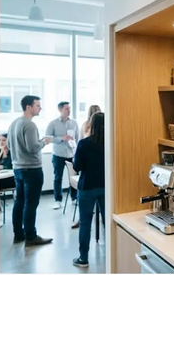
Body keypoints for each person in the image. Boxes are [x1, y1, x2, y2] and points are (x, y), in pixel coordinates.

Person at [8, 95, 54, 246]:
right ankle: (31, 236)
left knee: (19, 202)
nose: (40, 108)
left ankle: (19, 235)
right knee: (31, 203)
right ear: (29, 107)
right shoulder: (30, 125)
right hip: (32, 170)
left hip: (18, 169)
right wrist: (44, 142)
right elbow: (33, 148)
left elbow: (9, 145)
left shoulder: (14, 123)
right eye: (38, 105)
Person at [72, 112, 105, 268]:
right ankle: (112, 254)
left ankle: (83, 258)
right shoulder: (111, 143)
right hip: (106, 187)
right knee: (107, 222)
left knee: (85, 222)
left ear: (91, 125)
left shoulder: (84, 144)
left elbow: (77, 166)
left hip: (87, 187)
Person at [46, 101, 78, 210]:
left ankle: (74, 198)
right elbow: (47, 138)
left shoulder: (74, 123)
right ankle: (58, 200)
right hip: (58, 154)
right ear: (60, 110)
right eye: (66, 109)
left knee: (74, 177)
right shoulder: (53, 123)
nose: (68, 110)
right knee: (58, 178)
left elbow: (78, 138)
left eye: (69, 108)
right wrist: (61, 139)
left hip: (71, 153)